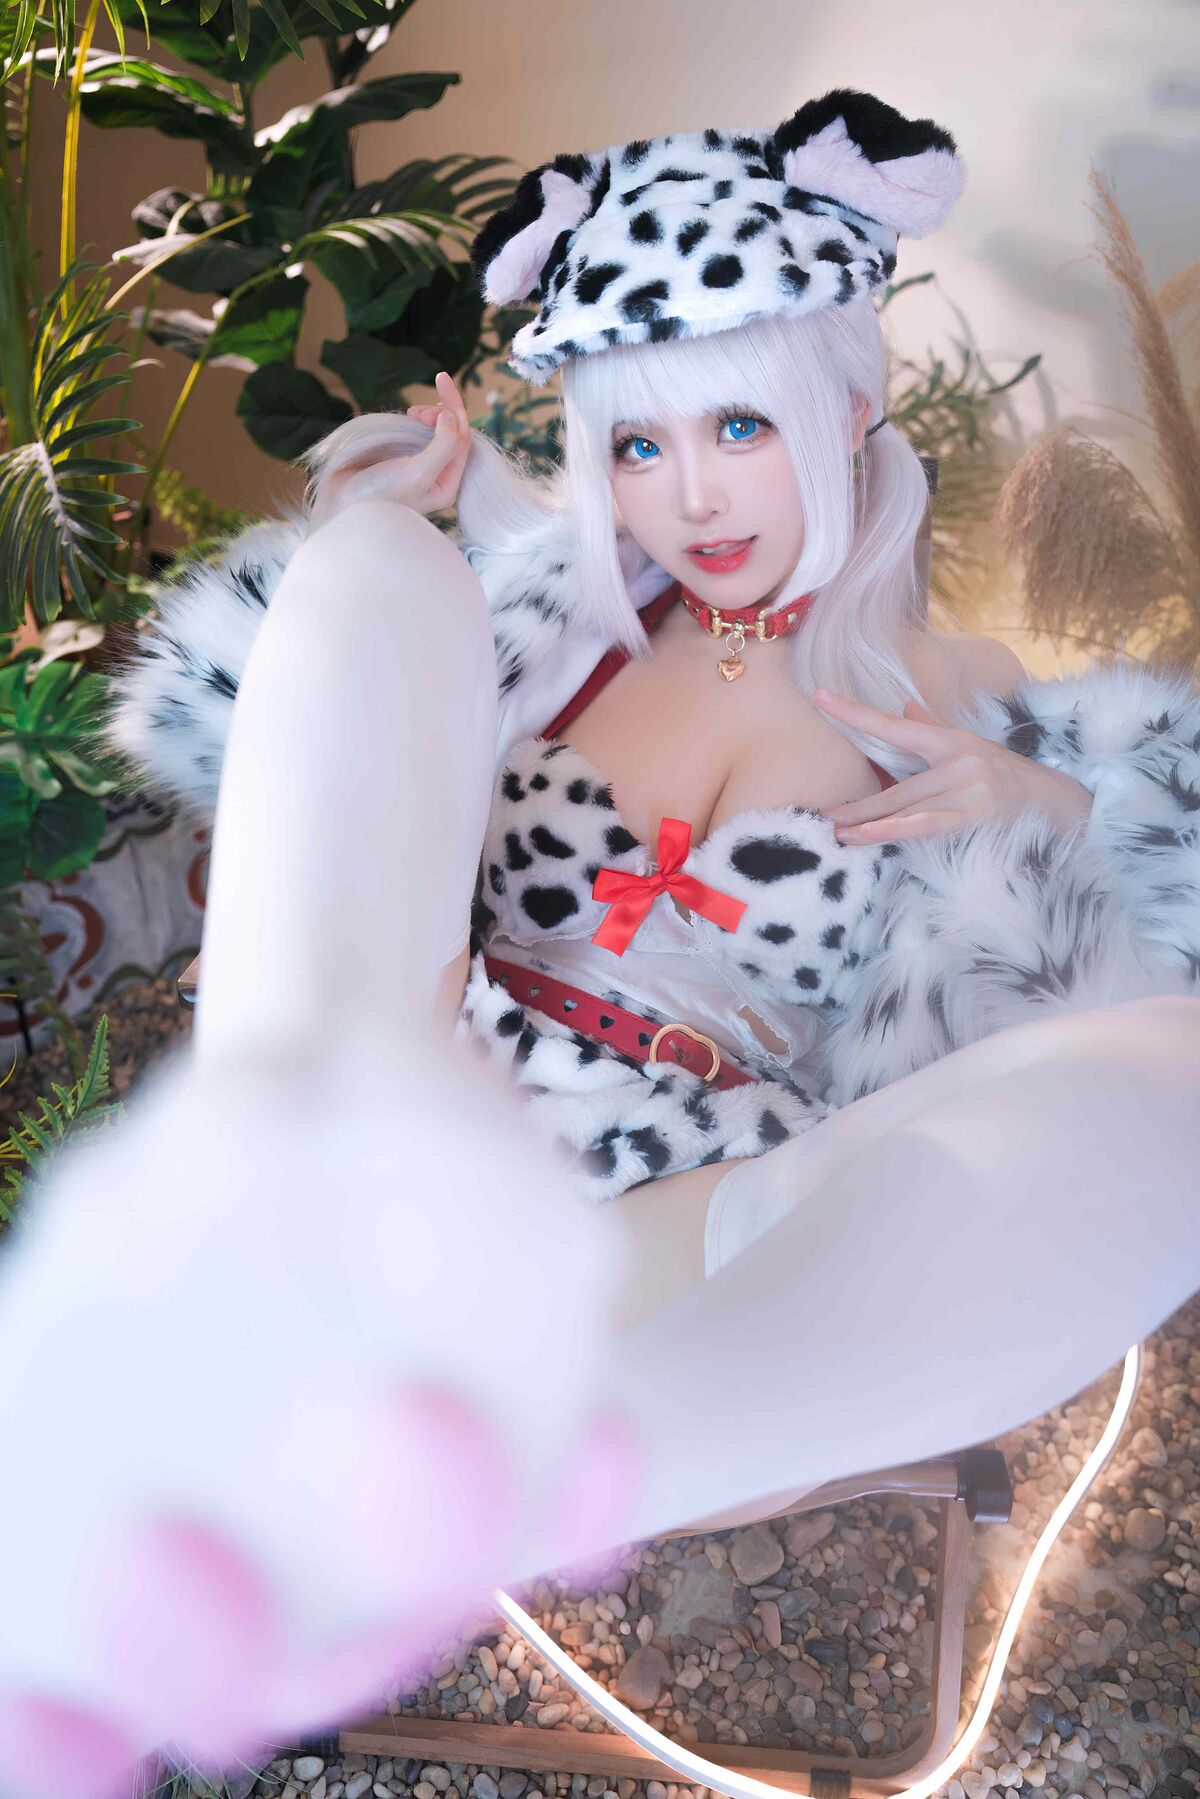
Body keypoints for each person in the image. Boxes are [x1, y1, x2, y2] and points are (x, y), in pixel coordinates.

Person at [1, 87, 1197, 1797]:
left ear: (849, 408)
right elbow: (319, 774)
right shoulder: (557, 622)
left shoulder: (962, 695)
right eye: (638, 446)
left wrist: (1055, 809)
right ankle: (253, 1269)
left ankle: (414, 1496)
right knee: (378, 576)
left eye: (741, 426)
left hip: (701, 1233)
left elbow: (1129, 951)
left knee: (1175, 1074)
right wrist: (379, 528)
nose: (690, 497)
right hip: (406, 1125)